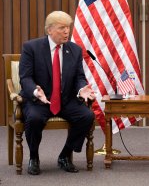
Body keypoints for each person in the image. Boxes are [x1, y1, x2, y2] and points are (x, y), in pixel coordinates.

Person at [19, 11, 95, 175]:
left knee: (87, 116)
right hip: (40, 100)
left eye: (68, 28)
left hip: (65, 100)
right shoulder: (31, 48)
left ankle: (65, 155)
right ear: (49, 30)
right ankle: (34, 157)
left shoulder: (74, 50)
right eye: (62, 28)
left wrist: (82, 89)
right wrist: (35, 91)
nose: (66, 32)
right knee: (34, 118)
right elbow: (25, 78)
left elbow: (79, 78)